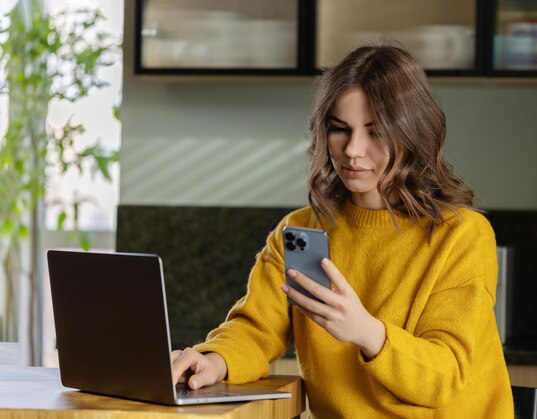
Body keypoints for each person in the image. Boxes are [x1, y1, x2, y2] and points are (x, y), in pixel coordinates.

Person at [171, 45, 514, 418]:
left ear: (413, 133)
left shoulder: (461, 235)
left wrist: (366, 331)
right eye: (340, 130)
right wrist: (215, 360)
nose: (353, 150)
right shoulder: (301, 230)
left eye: (375, 132)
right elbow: (256, 329)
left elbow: (444, 378)